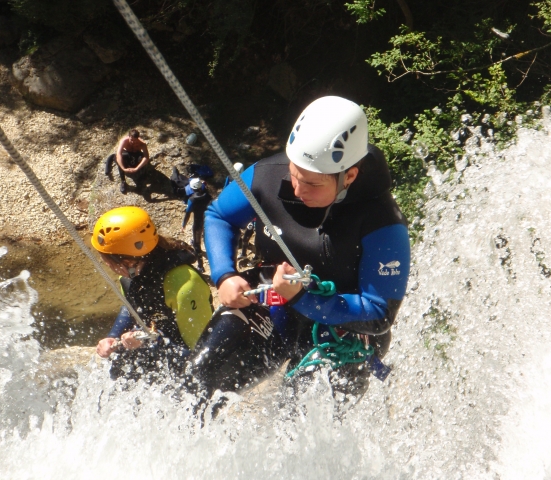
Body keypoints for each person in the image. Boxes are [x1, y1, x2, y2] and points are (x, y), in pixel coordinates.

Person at [204, 95, 411, 380]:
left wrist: (305, 298)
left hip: (345, 326)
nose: (298, 190)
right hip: (274, 299)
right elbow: (220, 216)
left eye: (312, 183)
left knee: (298, 414)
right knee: (201, 373)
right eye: (294, 174)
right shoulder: (265, 175)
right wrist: (224, 274)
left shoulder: (382, 221)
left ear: (348, 176)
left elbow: (379, 314)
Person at [93, 206, 284, 393]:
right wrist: (113, 336)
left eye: (108, 261)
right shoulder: (130, 277)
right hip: (164, 349)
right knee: (119, 365)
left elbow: (198, 350)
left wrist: (152, 341)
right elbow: (131, 307)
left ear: (127, 260)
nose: (106, 265)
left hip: (197, 361)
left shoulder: (184, 284)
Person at [106, 129, 151, 194]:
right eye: (131, 140)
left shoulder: (142, 144)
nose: (133, 142)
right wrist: (123, 168)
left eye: (135, 141)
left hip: (136, 155)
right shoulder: (124, 141)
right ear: (129, 136)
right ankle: (123, 181)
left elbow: (146, 157)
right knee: (119, 158)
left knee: (143, 161)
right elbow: (118, 154)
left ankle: (140, 180)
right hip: (127, 154)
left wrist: (137, 168)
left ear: (138, 138)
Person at [181, 178, 212, 270]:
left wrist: (183, 225)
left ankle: (200, 266)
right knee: (207, 241)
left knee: (197, 244)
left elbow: (188, 213)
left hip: (198, 223)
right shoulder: (208, 196)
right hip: (207, 222)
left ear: (192, 188)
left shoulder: (192, 199)